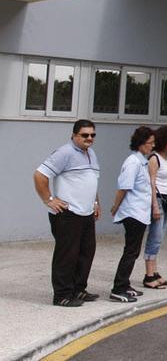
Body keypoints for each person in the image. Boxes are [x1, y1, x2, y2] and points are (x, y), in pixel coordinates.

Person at [33, 119, 101, 307]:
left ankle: (78, 290)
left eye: (92, 135)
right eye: (85, 135)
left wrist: (96, 202)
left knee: (86, 252)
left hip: (86, 213)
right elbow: (39, 175)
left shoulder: (91, 154)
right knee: (67, 255)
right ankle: (62, 295)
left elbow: (91, 180)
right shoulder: (65, 152)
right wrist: (49, 200)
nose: (89, 138)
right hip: (68, 214)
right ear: (74, 135)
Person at [109, 126, 155, 303]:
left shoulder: (141, 161)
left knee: (133, 251)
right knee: (130, 251)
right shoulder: (133, 162)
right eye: (150, 143)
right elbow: (124, 187)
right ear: (141, 144)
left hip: (140, 213)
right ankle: (118, 288)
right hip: (133, 214)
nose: (152, 146)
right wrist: (116, 206)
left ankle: (125, 284)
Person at [143, 126, 167, 289]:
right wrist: (154, 206)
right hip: (157, 199)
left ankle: (155, 272)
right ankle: (149, 275)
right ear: (163, 140)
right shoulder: (154, 158)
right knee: (155, 236)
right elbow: (151, 182)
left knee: (161, 236)